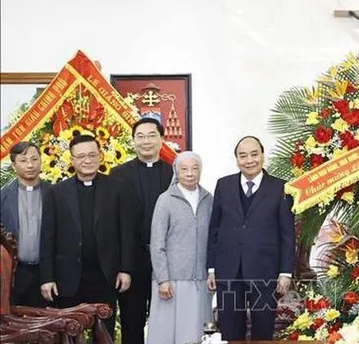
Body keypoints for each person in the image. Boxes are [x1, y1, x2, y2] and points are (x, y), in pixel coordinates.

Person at [40, 134, 133, 340]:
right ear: (72, 159)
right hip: (68, 278)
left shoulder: (117, 188)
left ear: (100, 156)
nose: (87, 160)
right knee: (69, 335)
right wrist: (47, 277)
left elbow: (126, 232)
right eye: (81, 156)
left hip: (105, 276)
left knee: (104, 333)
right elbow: (47, 238)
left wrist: (125, 269)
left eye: (92, 155)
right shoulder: (56, 192)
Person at [206, 136, 295, 340]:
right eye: (243, 156)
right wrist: (211, 268)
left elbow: (287, 235)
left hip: (265, 269)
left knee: (263, 329)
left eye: (254, 154)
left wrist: (285, 273)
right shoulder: (224, 185)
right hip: (228, 269)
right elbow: (214, 230)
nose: (249, 160)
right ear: (236, 159)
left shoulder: (281, 188)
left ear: (263, 156)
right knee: (229, 330)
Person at [111, 117, 173, 344]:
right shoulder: (118, 175)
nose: (146, 141)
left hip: (166, 263)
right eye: (140, 136)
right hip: (132, 261)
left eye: (151, 135)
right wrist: (121, 266)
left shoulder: (173, 174)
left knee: (166, 322)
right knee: (132, 322)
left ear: (161, 139)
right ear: (133, 141)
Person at [146, 151, 213, 344]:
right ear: (176, 171)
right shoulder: (165, 200)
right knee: (167, 333)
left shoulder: (209, 199)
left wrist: (211, 272)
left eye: (195, 168)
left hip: (200, 280)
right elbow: (157, 243)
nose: (190, 173)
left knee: (196, 332)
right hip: (171, 281)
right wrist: (162, 279)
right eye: (184, 169)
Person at [0, 142, 49, 307]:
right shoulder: (3, 197)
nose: (30, 165)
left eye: (34, 159)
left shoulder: (55, 193)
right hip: (14, 274)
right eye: (23, 160)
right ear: (14, 165)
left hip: (46, 275)